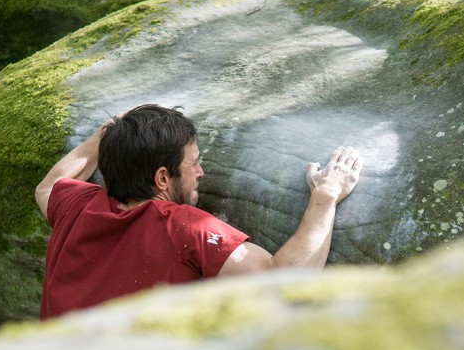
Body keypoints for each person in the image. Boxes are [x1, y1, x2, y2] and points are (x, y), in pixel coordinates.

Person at [35, 104, 362, 319]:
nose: (201, 171)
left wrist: (105, 135)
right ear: (162, 178)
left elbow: (48, 186)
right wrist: (326, 194)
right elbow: (286, 281)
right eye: (192, 164)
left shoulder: (77, 205)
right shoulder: (185, 228)